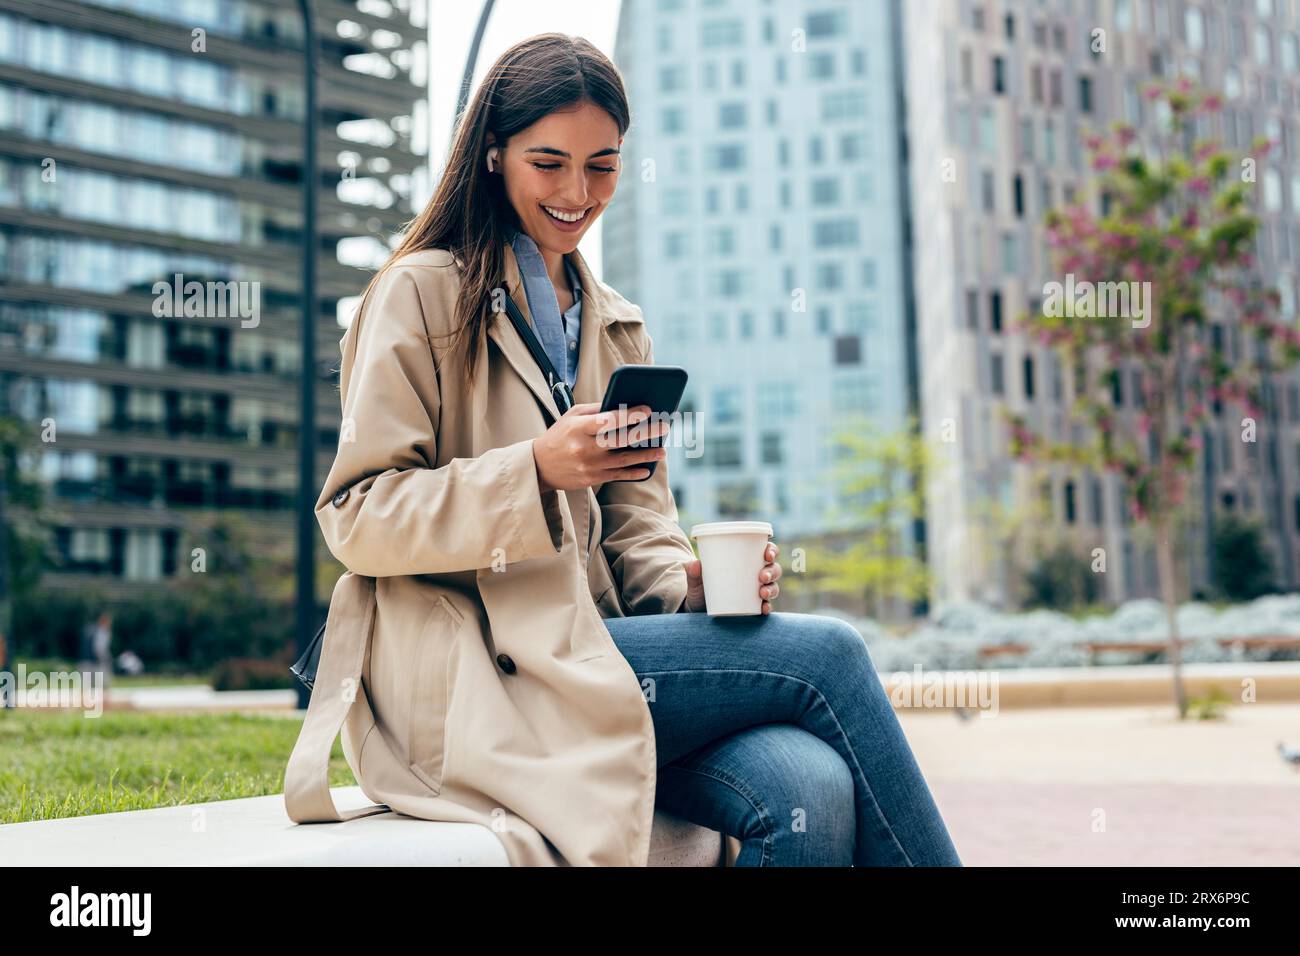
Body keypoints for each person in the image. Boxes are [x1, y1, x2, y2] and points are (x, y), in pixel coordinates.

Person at [285, 33, 961, 867]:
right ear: (493, 155)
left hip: (598, 659)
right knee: (829, 653)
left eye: (602, 166)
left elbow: (638, 526)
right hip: (484, 677)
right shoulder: (420, 294)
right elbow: (357, 516)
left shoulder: (616, 323)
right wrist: (534, 469)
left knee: (807, 784)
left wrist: (688, 585)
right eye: (549, 163)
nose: (577, 193)